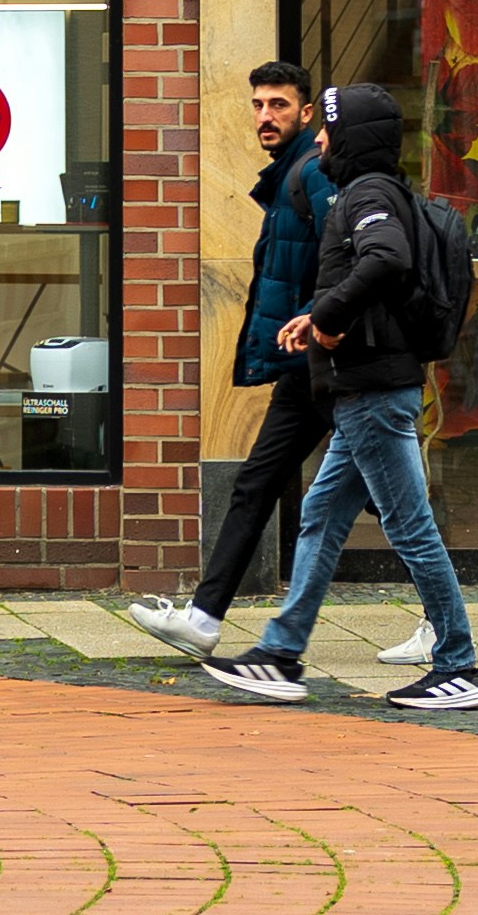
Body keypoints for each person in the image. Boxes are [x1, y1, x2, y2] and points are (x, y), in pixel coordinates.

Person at [199, 81, 478, 714]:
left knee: (411, 529)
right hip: (369, 388)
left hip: (373, 392)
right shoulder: (374, 192)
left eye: (330, 129)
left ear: (352, 137)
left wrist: (326, 315)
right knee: (323, 517)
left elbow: (384, 259)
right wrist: (320, 318)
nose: (321, 138)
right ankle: (279, 655)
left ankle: (459, 664)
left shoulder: (368, 194)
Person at [128, 62, 334, 651]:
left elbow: (349, 253)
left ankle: (441, 623)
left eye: (279, 105)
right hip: (306, 368)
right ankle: (204, 619)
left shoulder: (313, 173)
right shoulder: (291, 172)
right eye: (258, 104)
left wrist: (321, 315)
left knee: (392, 499)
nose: (266, 116)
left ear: (306, 111)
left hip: (329, 364)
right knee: (256, 482)